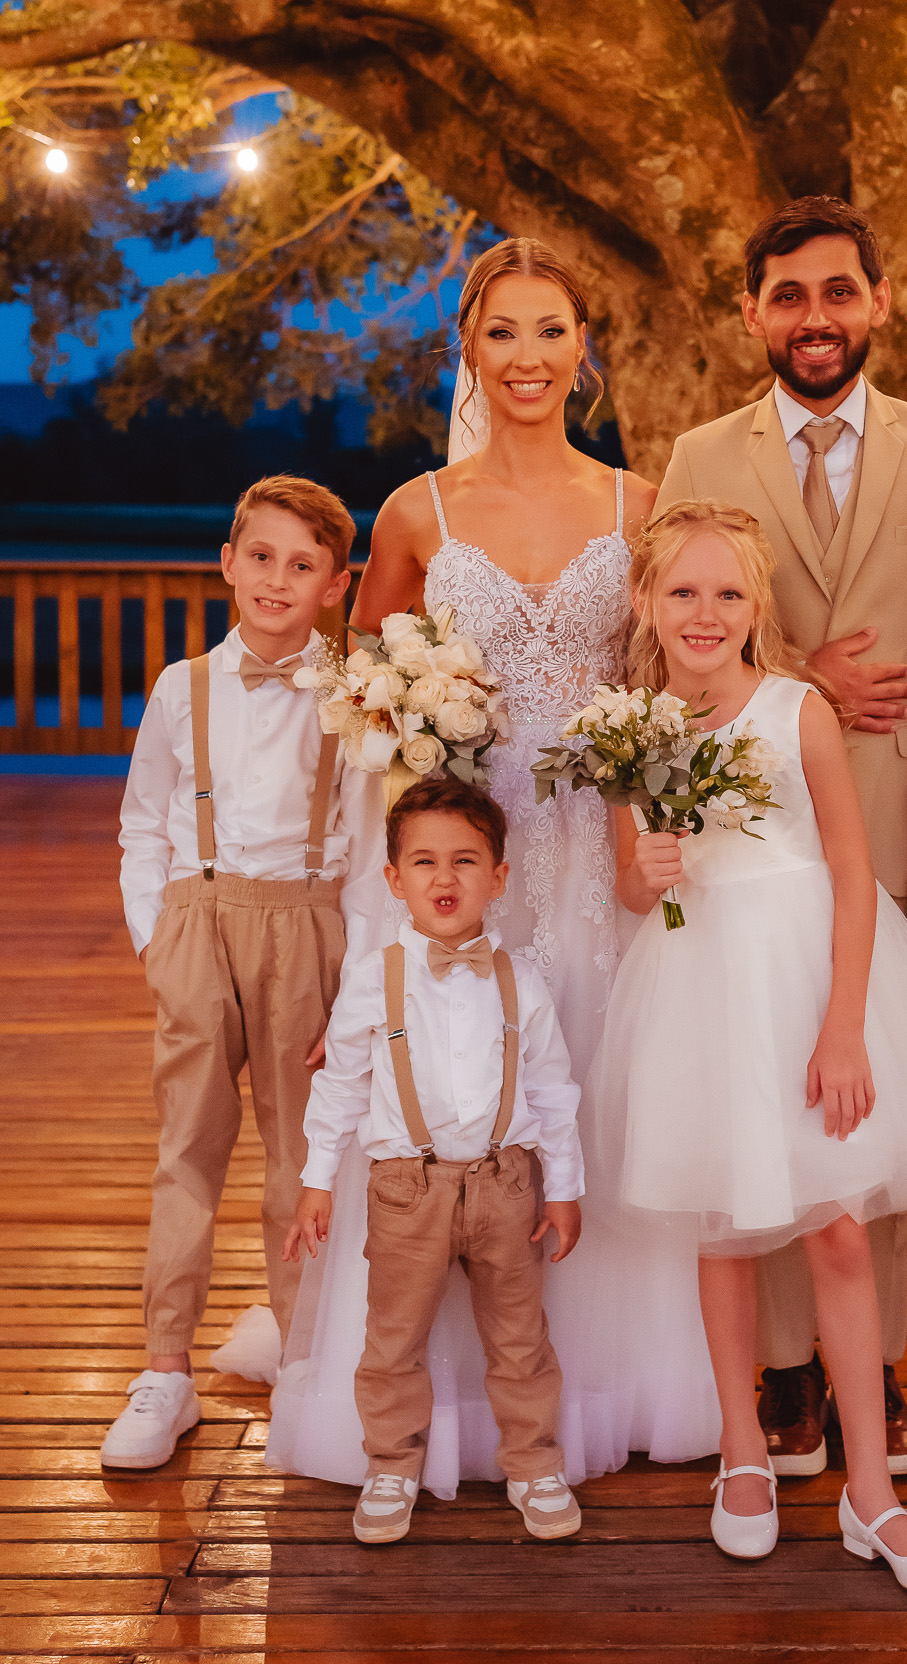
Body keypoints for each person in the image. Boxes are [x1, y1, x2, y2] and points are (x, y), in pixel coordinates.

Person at [265, 236, 718, 1494]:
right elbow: (373, 708)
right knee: (449, 1093)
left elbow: (671, 669)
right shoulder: (418, 510)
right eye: (503, 330)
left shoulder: (637, 503)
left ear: (584, 348)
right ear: (468, 347)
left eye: (551, 329)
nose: (528, 355)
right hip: (464, 851)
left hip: (594, 854)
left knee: (589, 1099)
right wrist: (398, 860)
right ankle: (436, 1411)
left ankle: (607, 1389)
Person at [655, 196, 907, 1475]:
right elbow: (673, 627)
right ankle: (787, 1370)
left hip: (899, 821)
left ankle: (880, 1362)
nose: (815, 316)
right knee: (758, 1085)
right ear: (752, 312)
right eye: (789, 295)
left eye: (838, 291)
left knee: (873, 1095)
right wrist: (808, 672)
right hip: (747, 829)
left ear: (877, 301)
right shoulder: (700, 450)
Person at [585, 500, 907, 1591]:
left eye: (727, 593)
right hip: (696, 993)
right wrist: (646, 871)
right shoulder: (631, 730)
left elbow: (853, 877)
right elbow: (631, 885)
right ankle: (742, 1452)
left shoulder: (796, 709)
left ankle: (872, 1494)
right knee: (721, 1232)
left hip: (808, 986)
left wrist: (844, 1027)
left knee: (839, 1234)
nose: (705, 612)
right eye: (683, 591)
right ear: (646, 601)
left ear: (755, 605)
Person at [102, 476, 386, 1471]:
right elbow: (143, 821)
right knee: (187, 1148)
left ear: (335, 586)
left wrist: (354, 988)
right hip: (197, 921)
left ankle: (303, 1357)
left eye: (302, 565)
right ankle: (165, 1368)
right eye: (260, 556)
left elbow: (366, 853)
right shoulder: (180, 688)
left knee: (301, 1159)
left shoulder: (355, 698)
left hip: (306, 930)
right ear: (227, 562)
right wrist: (157, 941)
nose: (276, 578)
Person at [286, 775, 585, 1546]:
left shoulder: (522, 981)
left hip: (506, 1183)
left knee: (519, 1337)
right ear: (394, 879)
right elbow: (340, 1085)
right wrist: (317, 1181)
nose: (443, 878)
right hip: (404, 1189)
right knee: (393, 1339)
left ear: (499, 877)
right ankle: (391, 1464)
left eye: (464, 860)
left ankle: (533, 1462)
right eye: (423, 862)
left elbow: (552, 1090)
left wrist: (564, 1187)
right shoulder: (371, 980)